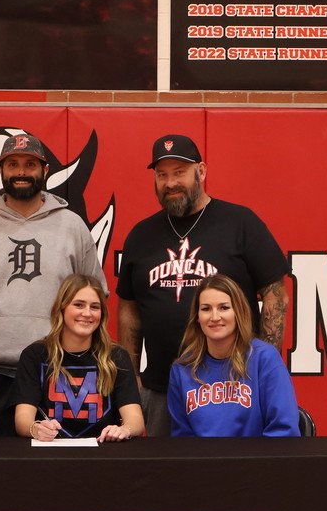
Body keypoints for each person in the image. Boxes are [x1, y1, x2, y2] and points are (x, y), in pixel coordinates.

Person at [117, 134, 290, 437]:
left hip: (235, 383)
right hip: (162, 385)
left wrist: (261, 368)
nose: (170, 183)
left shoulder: (239, 222)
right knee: (169, 477)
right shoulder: (141, 235)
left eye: (179, 172)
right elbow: (129, 310)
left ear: (201, 171)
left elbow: (276, 295)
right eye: (162, 175)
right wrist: (131, 378)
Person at [0, 133, 107, 436]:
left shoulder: (72, 226)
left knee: (52, 473)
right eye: (13, 164)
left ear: (45, 171)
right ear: (1, 171)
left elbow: (93, 297)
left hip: (58, 372)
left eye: (30, 164)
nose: (21, 171)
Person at [13, 274, 144, 443]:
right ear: (61, 308)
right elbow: (22, 419)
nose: (87, 313)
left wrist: (125, 429)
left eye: (95, 307)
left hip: (103, 453)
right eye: (78, 305)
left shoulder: (117, 356)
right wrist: (36, 429)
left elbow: (136, 420)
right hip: (49, 454)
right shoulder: (35, 355)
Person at [167, 274, 298, 437]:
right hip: (202, 462)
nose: (215, 317)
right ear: (197, 317)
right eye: (206, 309)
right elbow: (182, 441)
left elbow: (284, 430)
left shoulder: (264, 358)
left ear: (238, 312)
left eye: (224, 307)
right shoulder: (182, 369)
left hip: (255, 461)